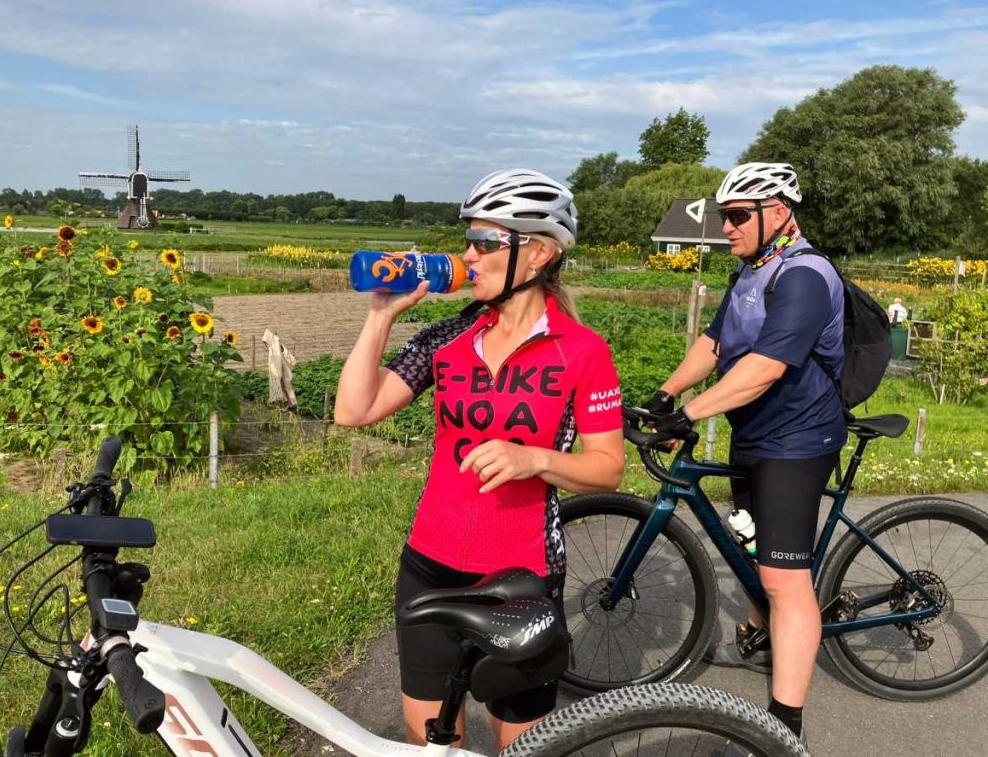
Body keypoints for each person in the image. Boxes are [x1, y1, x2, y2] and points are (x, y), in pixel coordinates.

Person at [334, 169, 625, 750]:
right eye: (468, 240)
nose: (469, 255)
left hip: (522, 577)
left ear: (539, 253)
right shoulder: (447, 337)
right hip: (429, 566)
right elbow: (354, 410)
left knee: (525, 746)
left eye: (485, 242)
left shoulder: (582, 351)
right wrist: (381, 315)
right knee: (431, 746)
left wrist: (534, 459)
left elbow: (607, 467)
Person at [647, 162, 844, 742]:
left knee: (785, 580)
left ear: (778, 213)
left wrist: (688, 415)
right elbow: (715, 344)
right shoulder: (750, 271)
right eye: (723, 216)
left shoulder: (804, 275)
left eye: (737, 216)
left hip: (799, 440)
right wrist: (665, 394)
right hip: (755, 434)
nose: (726, 227)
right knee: (754, 545)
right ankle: (763, 628)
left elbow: (766, 367)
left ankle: (785, 731)